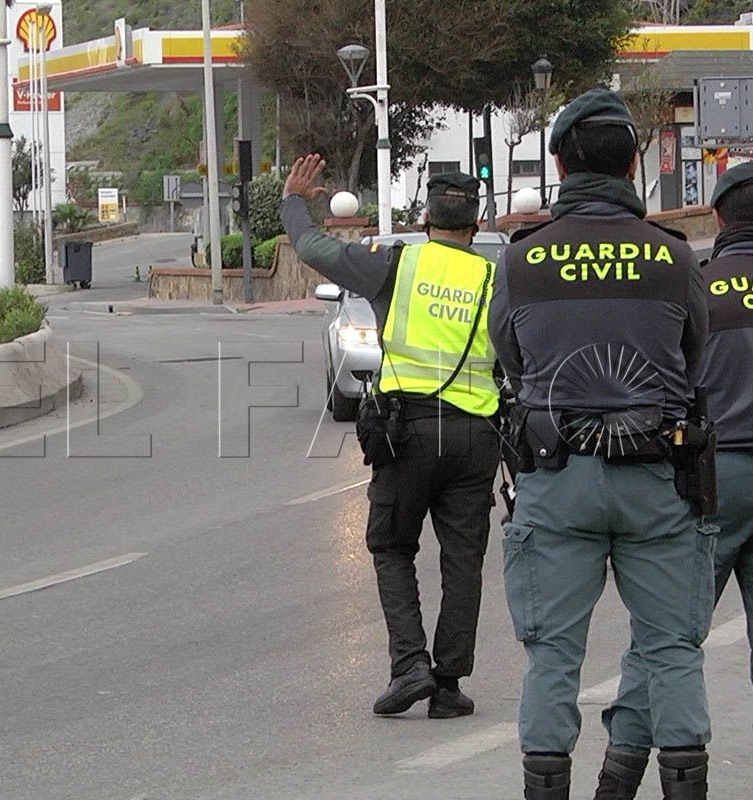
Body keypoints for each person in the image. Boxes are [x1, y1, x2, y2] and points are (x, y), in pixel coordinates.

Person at [595, 162, 753, 800]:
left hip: (707, 486)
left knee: (664, 640)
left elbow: (658, 387)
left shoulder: (700, 287)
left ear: (718, 219)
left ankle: (619, 777)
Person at [486, 88, 713, 799]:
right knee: (673, 649)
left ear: (559, 161)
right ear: (634, 163)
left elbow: (512, 363)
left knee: (552, 655)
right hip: (656, 479)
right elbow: (697, 357)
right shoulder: (674, 258)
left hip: (557, 478)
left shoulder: (522, 261)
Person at [280, 156, 501, 719]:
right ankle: (448, 686)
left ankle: (410, 666)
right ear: (475, 226)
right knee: (463, 559)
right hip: (477, 435)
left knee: (392, 547)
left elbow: (313, 250)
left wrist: (294, 203)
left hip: (409, 431)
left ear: (427, 217)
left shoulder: (396, 265)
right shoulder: (494, 279)